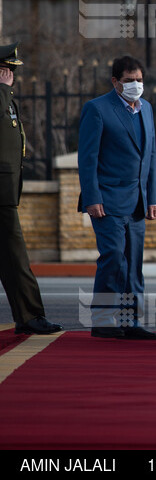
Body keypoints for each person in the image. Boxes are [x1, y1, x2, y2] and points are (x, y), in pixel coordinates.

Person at [78, 55, 156, 340]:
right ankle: (102, 319)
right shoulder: (98, 109)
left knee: (133, 262)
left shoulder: (146, 109)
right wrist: (92, 197)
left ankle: (130, 321)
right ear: (115, 82)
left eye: (139, 80)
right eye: (129, 81)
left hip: (137, 200)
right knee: (114, 257)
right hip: (107, 200)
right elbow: (88, 158)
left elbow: (148, 156)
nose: (135, 85)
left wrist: (152, 198)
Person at [0, 44, 62, 336]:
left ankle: (28, 316)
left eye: (11, 71)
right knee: (15, 256)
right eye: (6, 70)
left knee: (13, 258)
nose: (10, 76)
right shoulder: (1, 98)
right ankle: (30, 315)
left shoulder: (7, 100)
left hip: (4, 194)